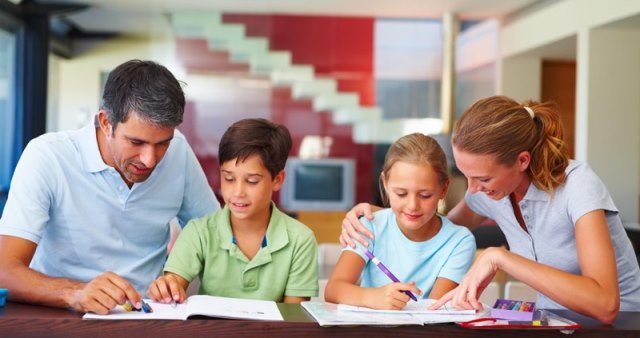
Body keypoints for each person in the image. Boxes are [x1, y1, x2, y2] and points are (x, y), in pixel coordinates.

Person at [339, 95, 640, 323]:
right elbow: (431, 224)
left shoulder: (578, 186)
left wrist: (501, 258)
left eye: (482, 178)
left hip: (623, 325)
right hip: (555, 324)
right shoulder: (486, 191)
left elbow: (605, 304)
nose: (471, 190)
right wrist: (374, 214)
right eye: (466, 175)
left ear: (522, 161)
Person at [0, 60, 219, 314]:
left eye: (162, 143)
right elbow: (4, 270)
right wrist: (75, 293)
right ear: (105, 123)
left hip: (148, 317)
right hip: (62, 316)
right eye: (136, 142)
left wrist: (176, 276)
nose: (150, 159)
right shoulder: (48, 156)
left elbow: (214, 236)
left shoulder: (178, 151)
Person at [147, 118, 318, 304]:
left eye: (252, 181)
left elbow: (293, 320)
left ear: (277, 180)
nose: (237, 193)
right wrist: (166, 289)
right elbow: (173, 285)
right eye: (228, 178)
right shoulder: (199, 232)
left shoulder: (301, 240)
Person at [324, 133, 476, 310]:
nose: (412, 206)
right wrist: (372, 297)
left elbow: (434, 310)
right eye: (401, 194)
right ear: (385, 184)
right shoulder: (368, 226)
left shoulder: (459, 241)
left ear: (444, 189)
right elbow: (333, 290)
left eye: (425, 195)